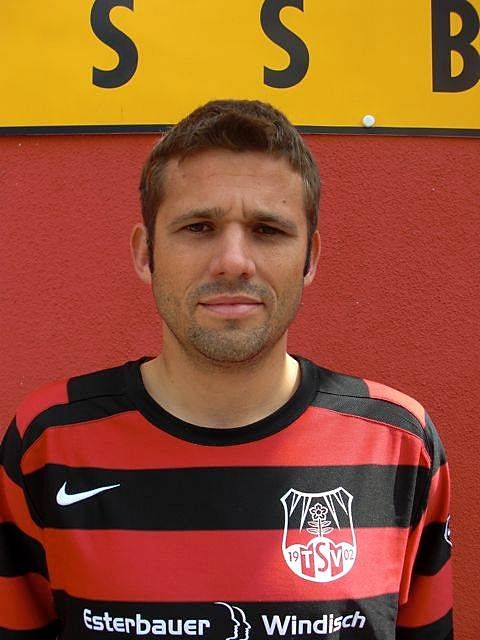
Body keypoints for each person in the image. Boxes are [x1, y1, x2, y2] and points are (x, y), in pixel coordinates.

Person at [0, 100, 452, 639]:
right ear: (145, 254)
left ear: (309, 259)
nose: (233, 261)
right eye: (198, 227)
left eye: (268, 230)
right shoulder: (50, 443)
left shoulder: (397, 445)